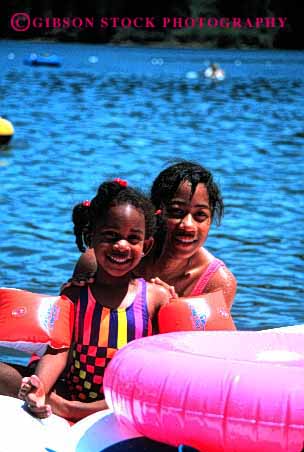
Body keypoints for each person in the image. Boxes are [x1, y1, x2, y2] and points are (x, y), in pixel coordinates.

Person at [14, 179, 171, 421]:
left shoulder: (155, 298)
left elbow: (164, 366)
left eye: (133, 238)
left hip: (124, 401)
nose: (121, 245)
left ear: (146, 246)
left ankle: (67, 409)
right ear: (91, 237)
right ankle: (47, 400)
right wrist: (41, 386)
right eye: (110, 236)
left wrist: (66, 407)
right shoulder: (75, 294)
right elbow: (58, 350)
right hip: (73, 391)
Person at [69, 161, 237, 311]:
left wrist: (174, 309)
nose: (188, 225)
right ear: (155, 212)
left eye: (200, 215)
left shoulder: (217, 282)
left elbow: (209, 342)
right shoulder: (100, 261)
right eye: (176, 212)